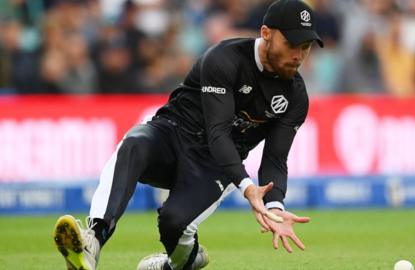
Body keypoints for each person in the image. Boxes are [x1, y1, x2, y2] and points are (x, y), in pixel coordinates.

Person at [52, 1, 323, 269]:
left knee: (174, 223)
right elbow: (218, 131)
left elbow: (275, 159)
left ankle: (183, 261)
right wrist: (247, 187)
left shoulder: (296, 96)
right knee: (134, 144)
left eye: (306, 47)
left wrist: (275, 206)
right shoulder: (225, 58)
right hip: (172, 133)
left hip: (215, 166)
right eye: (291, 44)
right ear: (266, 33)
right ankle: (93, 240)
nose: (298, 55)